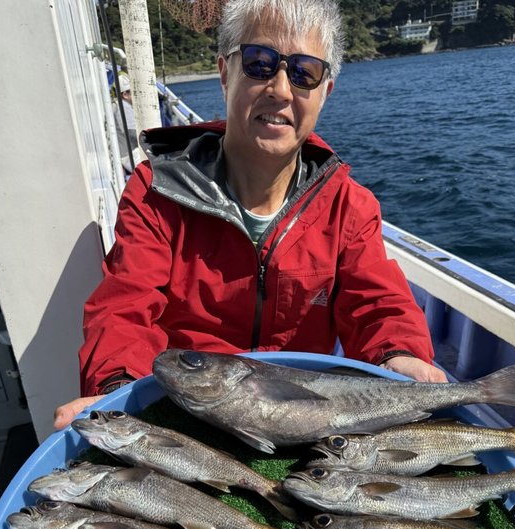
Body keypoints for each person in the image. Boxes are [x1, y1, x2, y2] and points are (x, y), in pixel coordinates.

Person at [54, 0, 446, 430]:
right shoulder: (157, 191)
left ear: (324, 92)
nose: (280, 88)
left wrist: (400, 357)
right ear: (226, 73)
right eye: (260, 63)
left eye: (304, 72)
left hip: (298, 411)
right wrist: (117, 384)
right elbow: (126, 305)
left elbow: (377, 304)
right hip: (189, 407)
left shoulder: (348, 206)